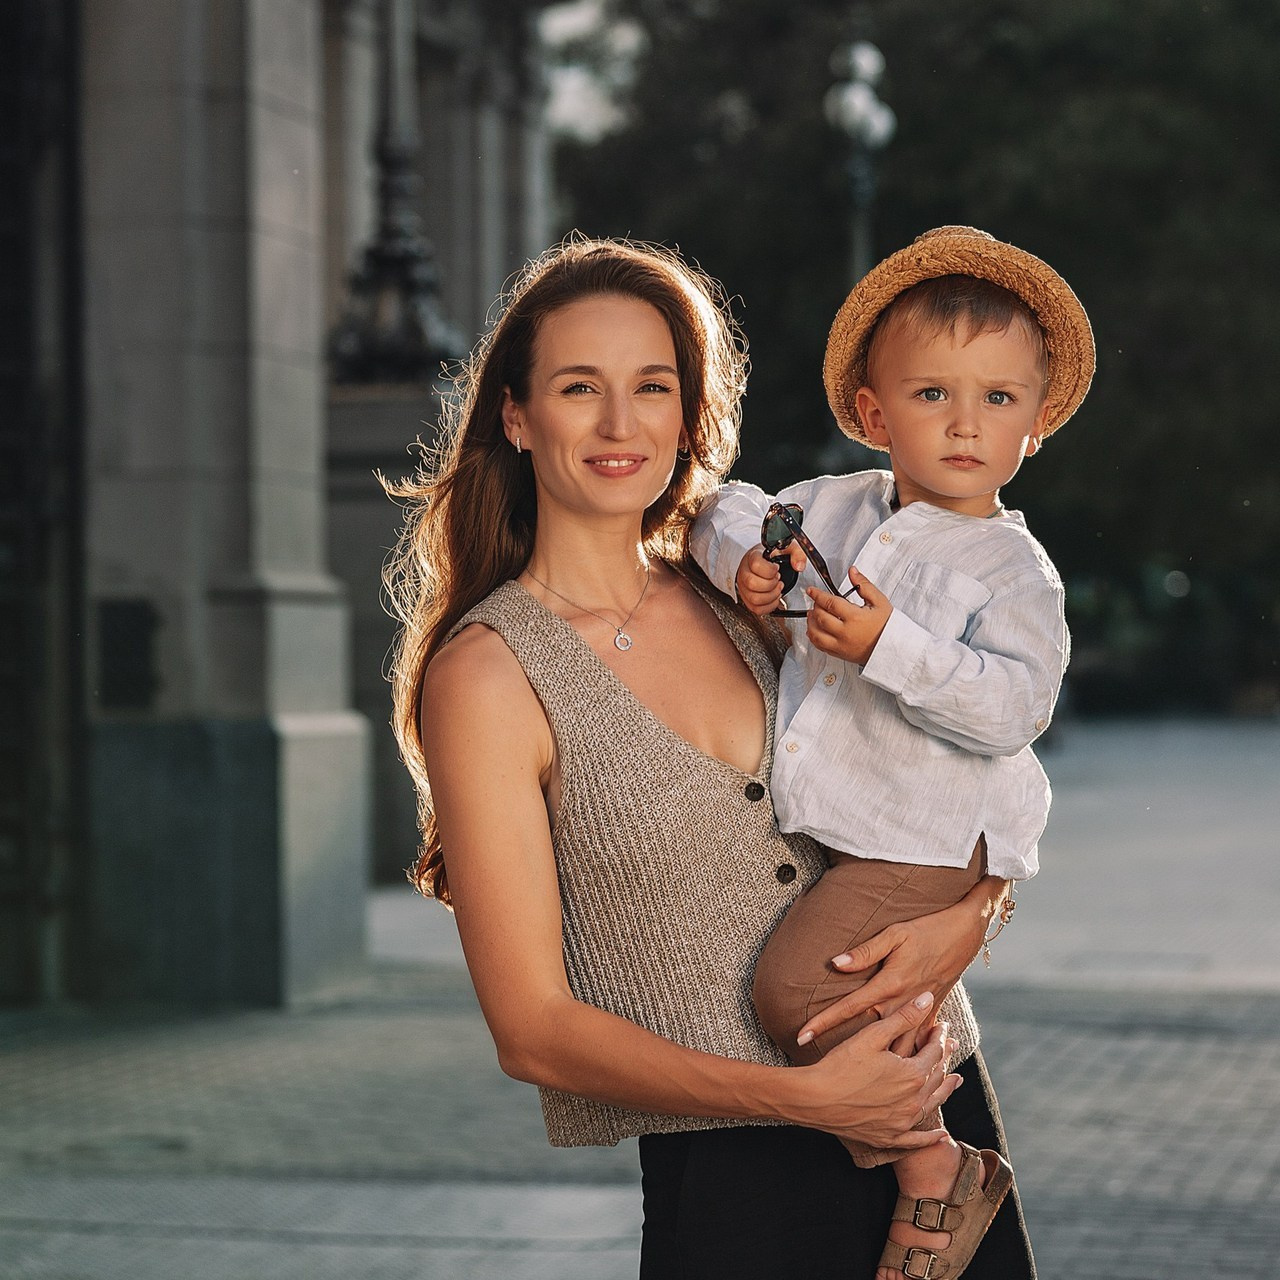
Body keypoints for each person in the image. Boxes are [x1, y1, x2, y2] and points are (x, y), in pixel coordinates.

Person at [384, 234, 1037, 1278]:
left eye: (651, 386)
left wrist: (975, 911)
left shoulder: (753, 592)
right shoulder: (490, 673)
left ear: (687, 415)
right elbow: (533, 1029)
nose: (617, 423)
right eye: (577, 387)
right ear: (515, 413)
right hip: (738, 1192)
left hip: (940, 1122)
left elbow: (949, 757)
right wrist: (804, 1097)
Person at [690, 225, 1095, 1280]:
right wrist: (743, 566)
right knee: (871, 999)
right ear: (873, 412)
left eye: (997, 400)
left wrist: (890, 648)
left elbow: (1012, 706)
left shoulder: (1013, 571)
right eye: (931, 396)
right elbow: (727, 509)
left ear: (1035, 425)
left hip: (925, 843)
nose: (965, 423)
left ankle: (929, 1157)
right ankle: (927, 1134)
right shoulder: (835, 504)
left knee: (791, 994)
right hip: (859, 835)